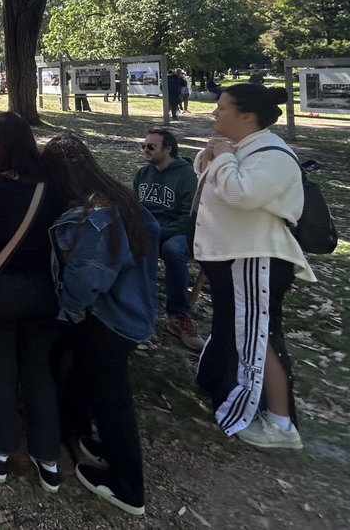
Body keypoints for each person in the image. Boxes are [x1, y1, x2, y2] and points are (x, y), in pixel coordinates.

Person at [42, 133, 160, 518]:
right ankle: (83, 433)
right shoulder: (121, 198)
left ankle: (128, 486)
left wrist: (67, 315)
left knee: (114, 402)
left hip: (109, 320)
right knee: (87, 379)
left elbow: (86, 280)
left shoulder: (93, 219)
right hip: (132, 311)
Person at [193, 84, 313, 450]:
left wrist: (224, 157)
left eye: (222, 108)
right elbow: (206, 177)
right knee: (234, 328)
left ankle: (280, 424)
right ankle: (221, 384)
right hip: (231, 256)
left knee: (259, 336)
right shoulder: (241, 147)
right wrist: (215, 153)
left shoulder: (273, 155)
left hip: (256, 259)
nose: (215, 114)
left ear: (247, 116)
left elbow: (241, 195)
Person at [0, 113, 69, 494]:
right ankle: (48, 457)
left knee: (0, 365)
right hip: (44, 291)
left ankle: (2, 449)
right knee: (39, 369)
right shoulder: (53, 187)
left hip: (0, 288)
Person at [132, 128, 202, 351]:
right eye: (143, 146)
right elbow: (134, 207)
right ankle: (134, 310)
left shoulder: (186, 176)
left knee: (173, 250)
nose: (146, 150)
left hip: (177, 233)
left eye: (151, 146)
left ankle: (179, 315)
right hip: (148, 229)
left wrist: (157, 231)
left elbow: (189, 219)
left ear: (168, 148)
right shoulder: (143, 174)